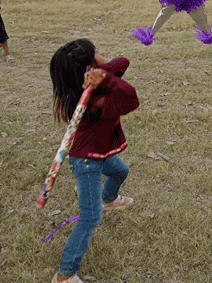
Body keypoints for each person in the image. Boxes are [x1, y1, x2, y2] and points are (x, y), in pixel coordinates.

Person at [49, 39, 139, 283]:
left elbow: (123, 62)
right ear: (88, 67)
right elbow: (131, 99)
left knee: (121, 172)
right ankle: (64, 274)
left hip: (100, 154)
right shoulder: (92, 101)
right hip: (86, 161)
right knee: (90, 216)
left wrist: (103, 73)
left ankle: (108, 198)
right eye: (96, 52)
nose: (101, 53)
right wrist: (107, 79)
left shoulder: (94, 81)